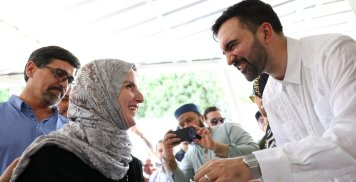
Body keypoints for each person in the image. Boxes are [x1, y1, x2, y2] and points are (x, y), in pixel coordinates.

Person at [194, 0, 356, 182]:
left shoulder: (334, 54)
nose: (229, 60)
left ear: (266, 33)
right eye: (224, 53)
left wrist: (252, 165)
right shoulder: (270, 95)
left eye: (232, 46)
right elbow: (300, 169)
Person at [9, 59, 145, 181]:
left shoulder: (131, 165)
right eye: (129, 86)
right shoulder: (52, 158)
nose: (141, 97)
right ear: (99, 94)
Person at [0, 46, 81, 175]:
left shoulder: (71, 131)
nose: (64, 84)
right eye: (59, 73)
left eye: (70, 80)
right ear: (30, 69)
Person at [162, 103, 259, 182]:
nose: (186, 126)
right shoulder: (190, 155)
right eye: (182, 125)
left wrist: (216, 147)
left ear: (202, 118)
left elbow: (256, 152)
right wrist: (169, 158)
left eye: (189, 120)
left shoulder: (228, 128)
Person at [250, 73, 276, 149]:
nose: (254, 101)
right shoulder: (273, 124)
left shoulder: (277, 125)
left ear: (263, 100)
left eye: (254, 97)